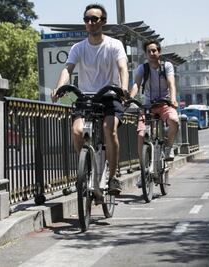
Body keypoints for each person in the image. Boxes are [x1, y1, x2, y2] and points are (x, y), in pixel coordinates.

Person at [50, 4, 129, 195]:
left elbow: (122, 68)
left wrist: (123, 88)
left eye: (94, 19)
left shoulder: (114, 45)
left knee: (108, 129)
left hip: (109, 96)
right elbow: (67, 69)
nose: (90, 23)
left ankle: (112, 178)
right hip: (86, 98)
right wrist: (60, 87)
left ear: (103, 21)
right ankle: (84, 169)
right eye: (87, 19)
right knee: (77, 131)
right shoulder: (79, 47)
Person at [130, 39, 179, 164]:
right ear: (146, 54)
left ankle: (168, 147)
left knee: (174, 120)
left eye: (154, 50)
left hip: (165, 104)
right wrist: (130, 97)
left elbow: (171, 84)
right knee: (141, 135)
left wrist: (173, 99)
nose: (152, 53)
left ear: (159, 52)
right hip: (148, 106)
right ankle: (143, 169)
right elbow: (136, 84)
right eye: (149, 51)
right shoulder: (143, 68)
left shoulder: (166, 66)